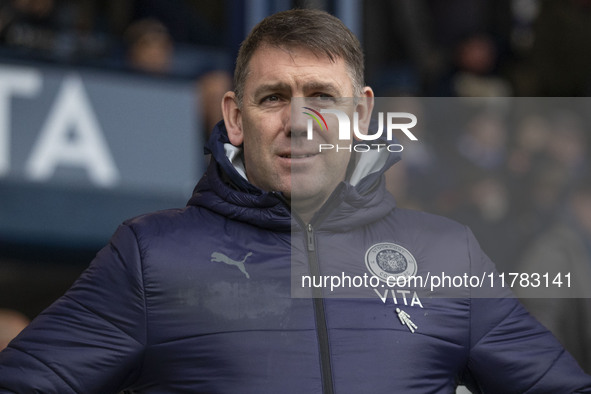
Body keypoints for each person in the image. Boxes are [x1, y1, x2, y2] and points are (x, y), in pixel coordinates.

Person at [0, 8, 590, 393]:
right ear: (234, 117)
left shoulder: (447, 255)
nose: (301, 122)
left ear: (360, 115)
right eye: (274, 97)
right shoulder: (150, 255)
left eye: (322, 99)